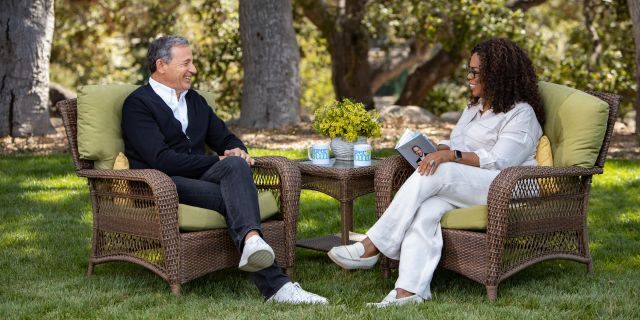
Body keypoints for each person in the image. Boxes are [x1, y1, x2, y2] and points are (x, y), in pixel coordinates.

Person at [327, 37, 545, 307]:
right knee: (427, 207)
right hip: (471, 185)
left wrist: (448, 156)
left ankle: (372, 246)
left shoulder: (521, 114)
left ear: (498, 74)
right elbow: (457, 142)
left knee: (439, 171)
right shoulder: (475, 108)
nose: (469, 77)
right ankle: (408, 292)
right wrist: (437, 147)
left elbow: (500, 161)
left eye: (475, 72)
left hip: (509, 186)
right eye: (469, 70)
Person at [121, 35, 327, 304]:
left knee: (235, 164)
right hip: (160, 184)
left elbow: (225, 138)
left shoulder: (194, 101)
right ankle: (277, 286)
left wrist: (236, 150)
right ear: (161, 65)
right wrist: (216, 161)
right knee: (235, 194)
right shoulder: (138, 104)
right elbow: (161, 160)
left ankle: (253, 243)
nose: (193, 70)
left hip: (198, 177)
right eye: (187, 63)